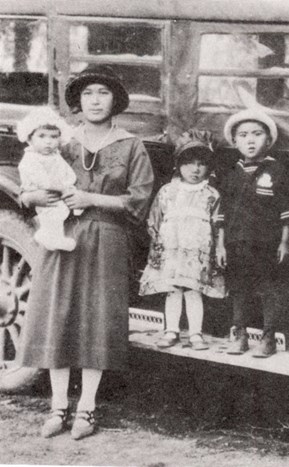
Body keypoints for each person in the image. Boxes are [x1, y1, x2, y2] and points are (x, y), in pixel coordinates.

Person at [17, 65, 154, 440]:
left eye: (103, 93)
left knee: (96, 322)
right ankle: (58, 407)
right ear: (78, 100)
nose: (95, 100)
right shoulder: (61, 141)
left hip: (107, 239)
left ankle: (87, 409)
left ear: (115, 101)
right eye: (88, 93)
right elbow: (29, 184)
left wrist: (90, 197)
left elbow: (139, 201)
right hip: (61, 236)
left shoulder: (131, 145)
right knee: (57, 316)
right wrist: (30, 196)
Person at [220, 109, 289, 358]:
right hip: (236, 244)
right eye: (243, 135)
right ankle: (240, 335)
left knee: (268, 290)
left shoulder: (277, 172)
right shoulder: (232, 173)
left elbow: (287, 210)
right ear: (234, 141)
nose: (250, 140)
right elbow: (222, 213)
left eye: (257, 134)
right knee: (239, 289)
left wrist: (284, 242)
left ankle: (268, 337)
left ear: (268, 140)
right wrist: (220, 245)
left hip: (266, 245)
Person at [139, 135, 226, 350]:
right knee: (173, 289)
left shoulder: (211, 194)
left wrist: (216, 249)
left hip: (197, 251)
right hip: (171, 249)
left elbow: (218, 226)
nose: (195, 169)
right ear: (178, 165)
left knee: (193, 290)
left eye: (201, 164)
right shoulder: (167, 191)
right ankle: (171, 330)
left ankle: (196, 333)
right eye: (189, 163)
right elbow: (155, 220)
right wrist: (158, 246)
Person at [17, 106, 78, 251]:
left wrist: (69, 182)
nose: (48, 142)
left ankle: (54, 236)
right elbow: (41, 179)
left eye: (54, 137)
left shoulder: (54, 156)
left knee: (60, 211)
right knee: (52, 212)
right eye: (42, 136)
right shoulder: (31, 158)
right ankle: (48, 236)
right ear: (30, 139)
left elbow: (66, 170)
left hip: (58, 190)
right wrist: (59, 187)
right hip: (43, 192)